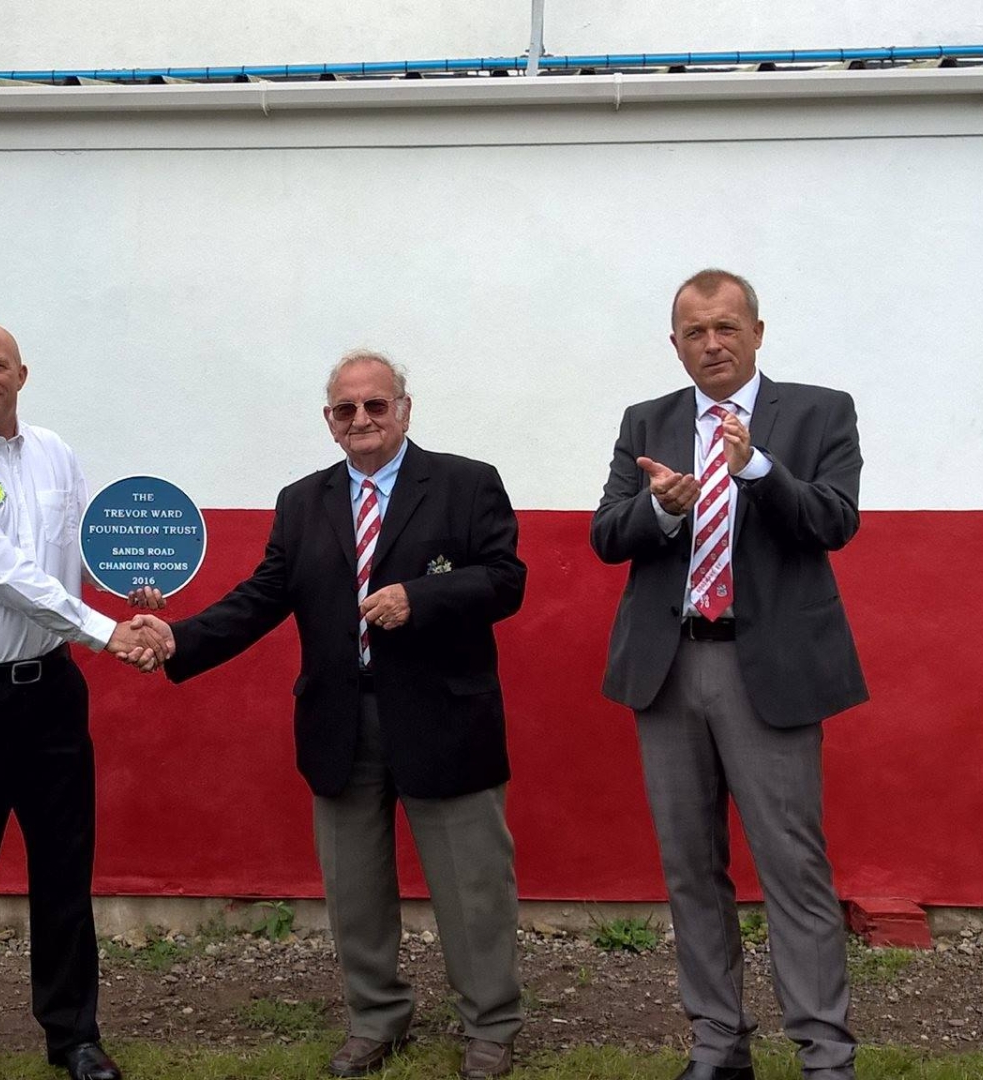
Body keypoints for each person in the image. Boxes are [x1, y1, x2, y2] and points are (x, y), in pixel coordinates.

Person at [127, 349, 526, 1079]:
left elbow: (506, 581)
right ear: (329, 421)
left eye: (376, 405)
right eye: (347, 409)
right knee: (354, 889)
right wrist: (180, 636)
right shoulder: (302, 500)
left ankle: (491, 1026)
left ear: (403, 410)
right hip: (341, 723)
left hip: (445, 720)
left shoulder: (468, 484)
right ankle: (377, 1018)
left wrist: (420, 599)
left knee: (473, 888)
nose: (362, 420)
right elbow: (262, 597)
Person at [591, 269, 867, 1080]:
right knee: (689, 868)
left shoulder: (819, 411)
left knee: (793, 866)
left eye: (726, 327)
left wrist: (755, 471)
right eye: (694, 332)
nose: (712, 343)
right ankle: (718, 1046)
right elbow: (608, 535)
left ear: (757, 331)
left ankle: (824, 1054)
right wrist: (665, 509)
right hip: (669, 669)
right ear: (674, 345)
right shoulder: (647, 421)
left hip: (767, 668)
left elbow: (834, 521)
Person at [0, 321, 164, 1080]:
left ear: (22, 374)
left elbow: (63, 559)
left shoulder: (55, 455)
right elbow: (3, 572)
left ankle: (74, 1038)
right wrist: (107, 634)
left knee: (64, 869)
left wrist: (126, 591)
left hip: (50, 694)